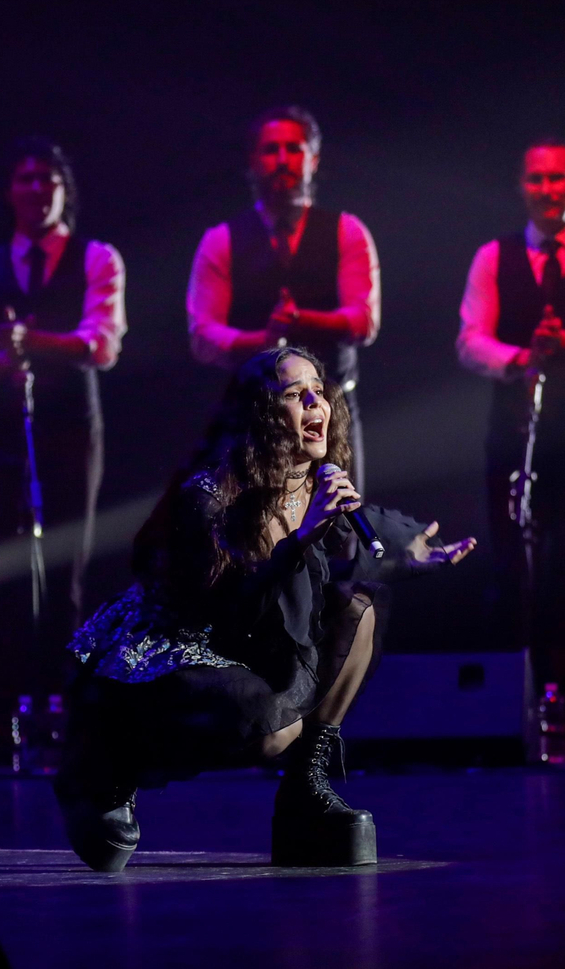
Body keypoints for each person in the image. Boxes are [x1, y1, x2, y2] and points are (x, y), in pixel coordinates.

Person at [55, 347, 475, 872]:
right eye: (296, 394)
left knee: (359, 608)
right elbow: (223, 609)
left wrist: (411, 549)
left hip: (248, 638)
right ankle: (116, 765)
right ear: (261, 411)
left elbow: (365, 539)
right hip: (174, 649)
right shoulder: (211, 494)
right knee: (269, 727)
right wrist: (297, 542)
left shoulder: (311, 487)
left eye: (319, 390)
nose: (315, 402)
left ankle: (305, 792)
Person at [457, 139, 565, 713]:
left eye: (558, 179)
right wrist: (518, 359)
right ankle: (514, 699)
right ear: (521, 187)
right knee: (513, 566)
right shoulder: (492, 257)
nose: (547, 191)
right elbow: (469, 340)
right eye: (536, 180)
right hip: (514, 429)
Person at [0, 137, 126, 687]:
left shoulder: (98, 257)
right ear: (10, 192)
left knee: (66, 569)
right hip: (1, 429)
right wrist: (3, 363)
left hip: (71, 425)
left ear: (63, 190)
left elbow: (102, 345)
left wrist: (32, 342)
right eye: (25, 179)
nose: (36, 189)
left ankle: (63, 704)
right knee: (1, 569)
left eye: (47, 179)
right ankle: (7, 714)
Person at [187, 106, 381, 489]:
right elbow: (203, 336)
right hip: (252, 415)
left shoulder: (347, 231)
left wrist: (299, 322)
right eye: (270, 150)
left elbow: (364, 321)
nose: (282, 160)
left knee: (339, 530)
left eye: (293, 149)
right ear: (253, 161)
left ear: (314, 158)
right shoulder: (221, 240)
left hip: (331, 412)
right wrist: (263, 340)